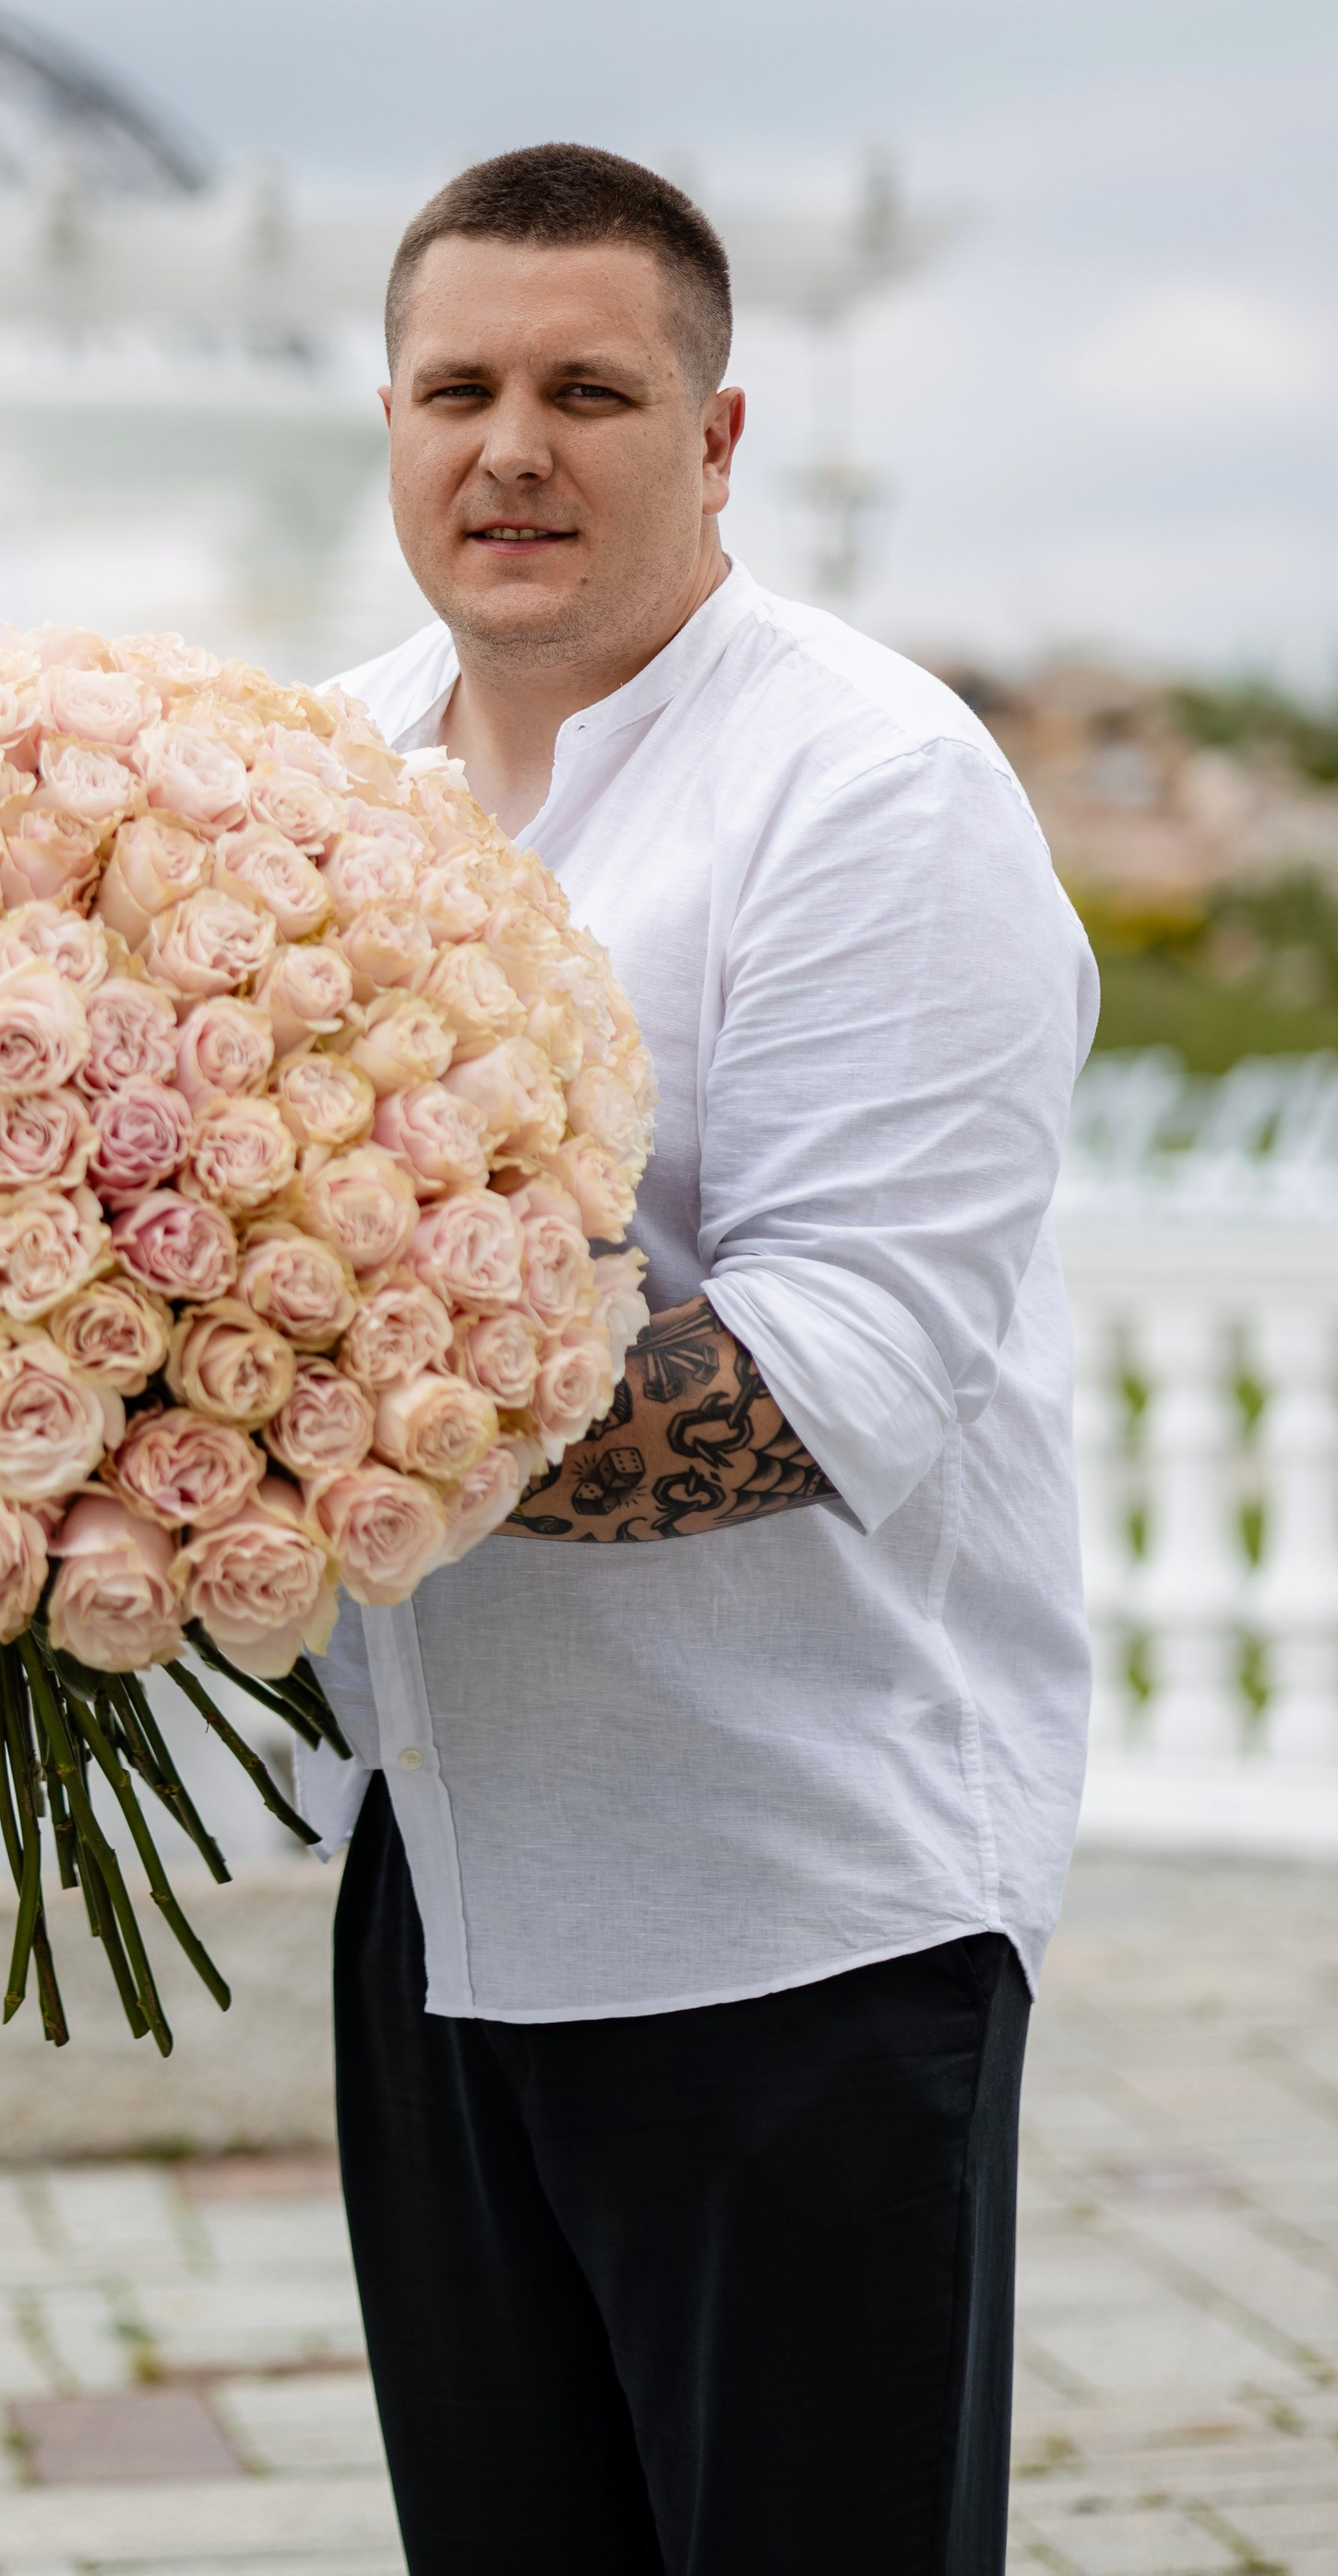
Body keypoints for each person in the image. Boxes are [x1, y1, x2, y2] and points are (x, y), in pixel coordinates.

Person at [307, 141, 1097, 2576]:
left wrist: (256, 1416)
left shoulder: (872, 790)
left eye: (591, 392)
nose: (512, 450)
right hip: (440, 1874)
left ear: (721, 436)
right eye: (459, 389)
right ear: (390, 420)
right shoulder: (308, 781)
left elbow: (831, 1376)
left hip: (793, 1907)